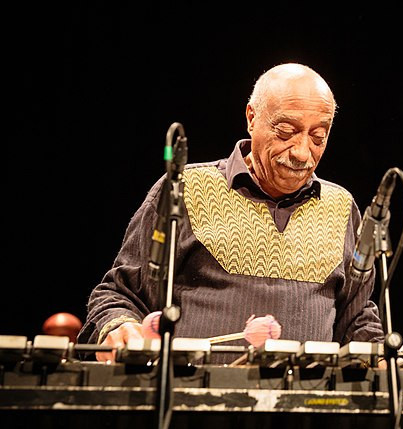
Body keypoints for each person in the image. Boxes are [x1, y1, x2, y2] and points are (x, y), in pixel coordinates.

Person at [77, 63, 385, 363]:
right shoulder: (185, 189)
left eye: (318, 137)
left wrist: (379, 355)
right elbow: (119, 295)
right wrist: (118, 326)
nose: (302, 153)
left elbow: (355, 315)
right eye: (286, 131)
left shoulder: (341, 206)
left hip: (303, 398)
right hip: (193, 395)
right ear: (252, 118)